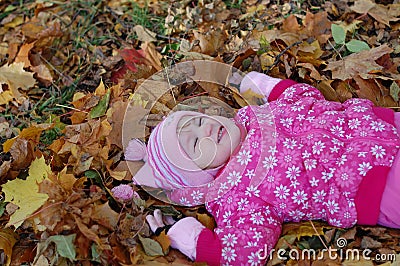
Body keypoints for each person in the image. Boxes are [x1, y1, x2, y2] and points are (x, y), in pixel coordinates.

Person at [125, 71, 400, 265]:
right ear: (198, 175)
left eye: (197, 121)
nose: (205, 128)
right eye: (196, 143)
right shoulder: (234, 195)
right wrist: (195, 242)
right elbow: (246, 249)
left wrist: (271, 87)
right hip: (374, 185)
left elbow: (304, 100)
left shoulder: (256, 115)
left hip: (377, 123)